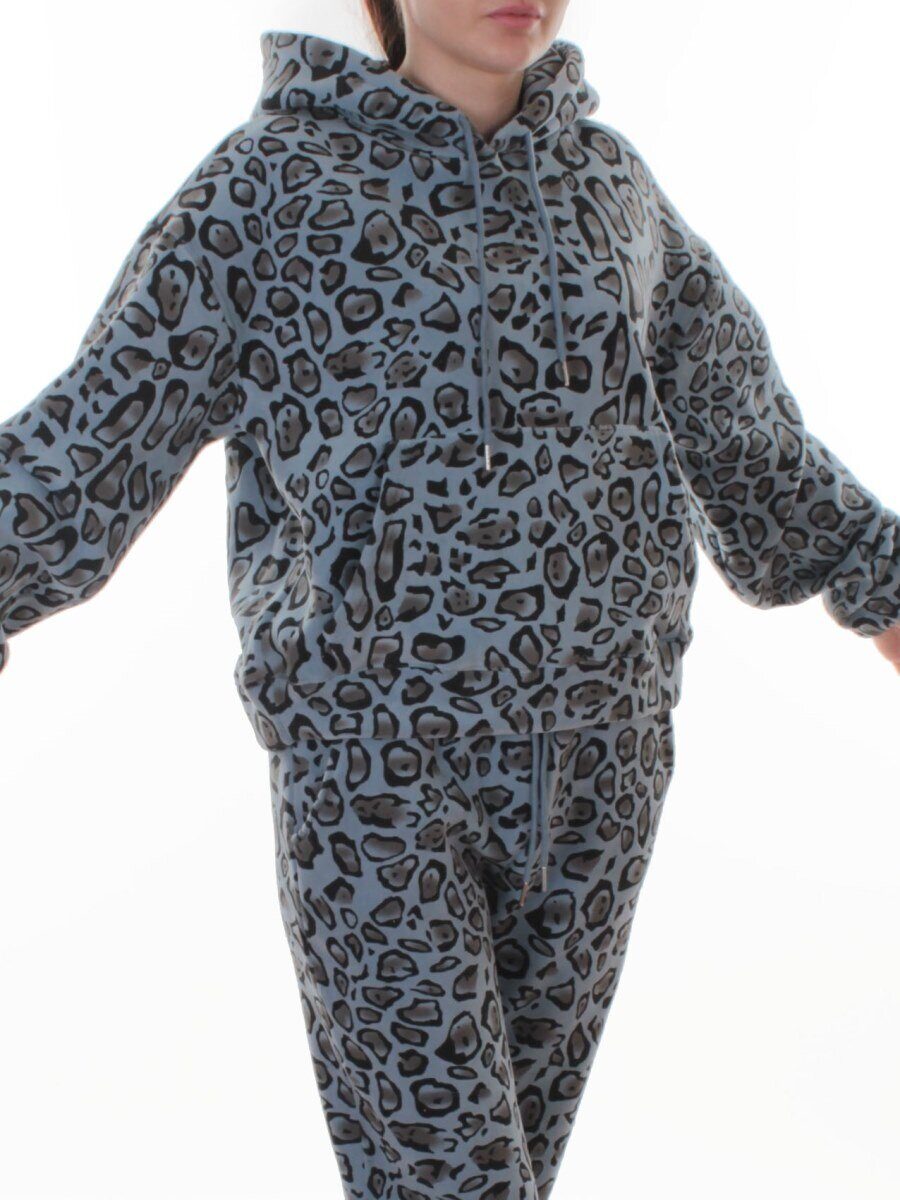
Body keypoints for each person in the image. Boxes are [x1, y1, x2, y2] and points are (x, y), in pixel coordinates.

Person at [1, 2, 897, 1197]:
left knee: (502, 1171)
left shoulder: (611, 189)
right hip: (378, 777)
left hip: (603, 766)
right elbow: (95, 435)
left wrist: (880, 583)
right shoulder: (270, 190)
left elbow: (742, 433)